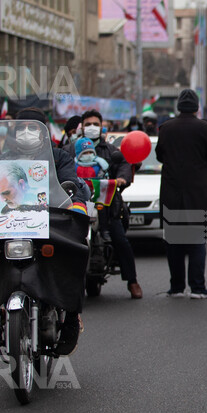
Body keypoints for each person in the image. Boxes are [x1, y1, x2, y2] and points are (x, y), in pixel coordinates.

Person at [0, 108, 89, 354]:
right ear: (15, 131)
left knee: (77, 251)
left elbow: (69, 184)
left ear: (43, 131)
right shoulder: (0, 159)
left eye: (34, 127)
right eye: (23, 128)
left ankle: (71, 318)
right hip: (7, 225)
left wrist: (75, 202)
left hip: (48, 222)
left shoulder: (59, 157)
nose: (27, 133)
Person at [155, 89, 207, 299]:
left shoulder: (166, 128)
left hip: (171, 190)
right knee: (196, 240)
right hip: (197, 192)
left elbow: (159, 156)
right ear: (196, 107)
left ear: (178, 106)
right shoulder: (204, 127)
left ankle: (176, 287)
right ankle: (197, 287)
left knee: (173, 240)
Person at [80, 109, 141, 299]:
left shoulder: (111, 151)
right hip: (79, 206)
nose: (92, 127)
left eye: (95, 124)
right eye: (88, 124)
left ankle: (132, 281)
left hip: (107, 205)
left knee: (120, 240)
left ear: (102, 127)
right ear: (81, 128)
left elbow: (123, 167)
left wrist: (122, 179)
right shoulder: (71, 149)